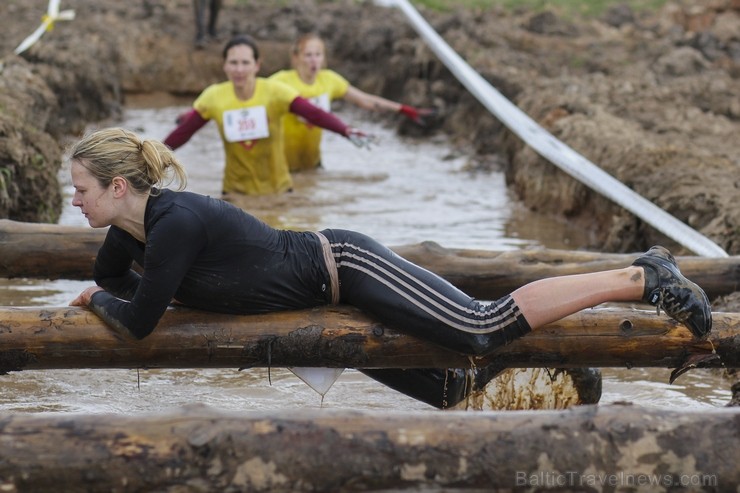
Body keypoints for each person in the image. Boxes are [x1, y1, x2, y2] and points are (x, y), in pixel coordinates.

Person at [68, 128, 713, 407]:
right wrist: (113, 293)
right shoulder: (125, 237)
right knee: (447, 390)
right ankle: (551, 395)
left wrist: (97, 303)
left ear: (120, 186)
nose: (76, 201)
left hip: (343, 265)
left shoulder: (173, 222)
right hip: (318, 304)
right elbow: (123, 284)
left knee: (480, 327)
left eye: (82, 190)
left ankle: (641, 275)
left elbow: (138, 319)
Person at [164, 35, 369, 196]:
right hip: (236, 193)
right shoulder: (214, 96)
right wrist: (154, 156)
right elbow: (185, 132)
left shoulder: (275, 92)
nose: (239, 69)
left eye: (245, 63)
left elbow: (314, 113)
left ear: (257, 65)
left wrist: (345, 130)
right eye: (233, 63)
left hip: (279, 192)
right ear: (224, 65)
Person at [269, 33, 435, 171]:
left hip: (312, 163)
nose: (314, 60)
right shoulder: (280, 81)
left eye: (318, 55)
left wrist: (403, 109)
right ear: (296, 57)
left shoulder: (329, 80)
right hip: (282, 165)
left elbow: (365, 100)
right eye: (308, 55)